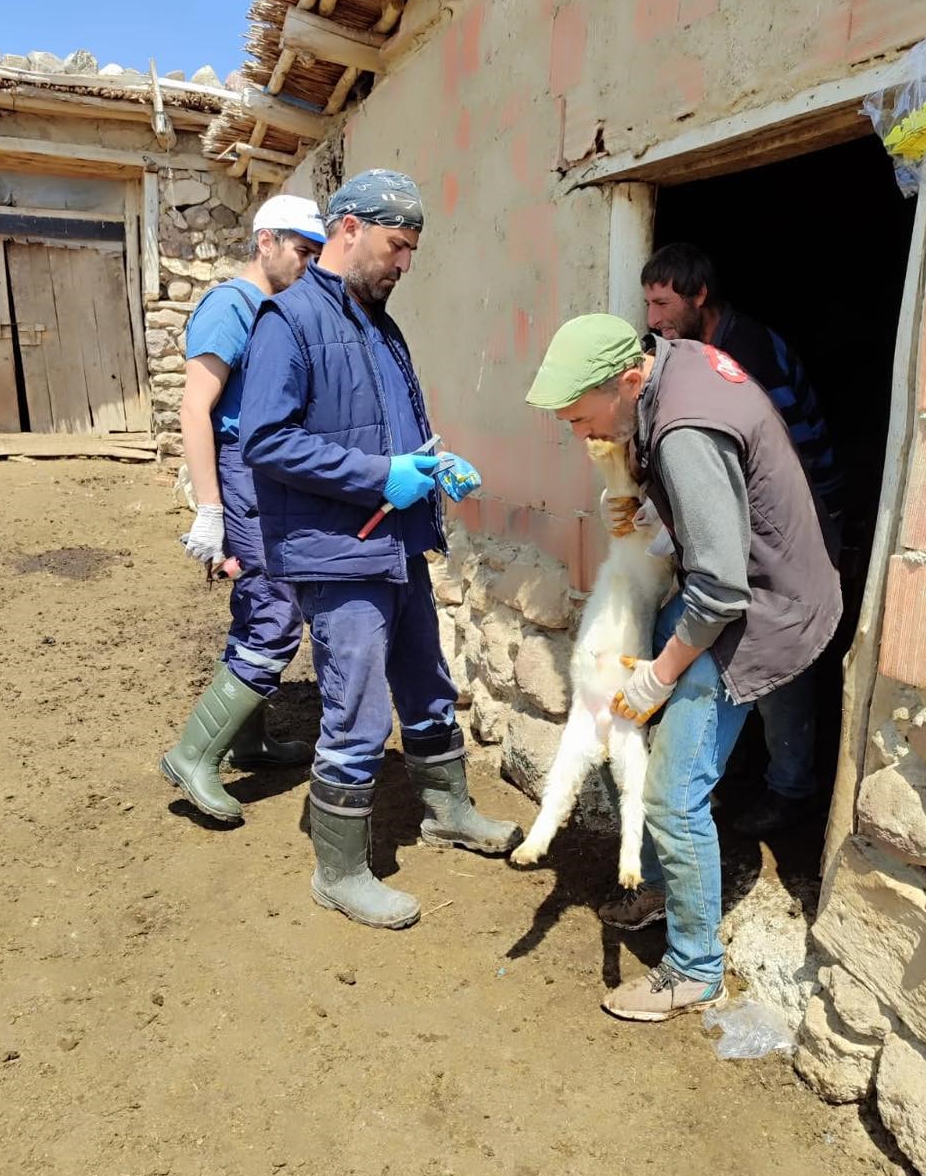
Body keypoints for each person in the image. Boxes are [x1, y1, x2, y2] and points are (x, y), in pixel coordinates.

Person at [525, 314, 840, 1023]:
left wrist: (662, 673)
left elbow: (723, 591)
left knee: (672, 790)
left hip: (759, 609)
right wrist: (641, 510)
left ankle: (694, 967)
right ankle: (663, 883)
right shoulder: (672, 365)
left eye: (581, 417)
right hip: (731, 585)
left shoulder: (685, 429)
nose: (580, 432)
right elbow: (720, 515)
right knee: (635, 714)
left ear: (629, 380)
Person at [239, 168, 522, 931]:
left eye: (413, 252)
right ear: (350, 228)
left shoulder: (381, 325)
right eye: (398, 246)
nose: (404, 264)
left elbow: (386, 429)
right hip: (337, 555)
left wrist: (431, 464)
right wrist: (377, 475)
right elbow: (264, 440)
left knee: (428, 685)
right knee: (358, 713)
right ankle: (339, 871)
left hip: (396, 546)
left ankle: (449, 811)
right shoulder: (288, 321)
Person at [638, 242, 844, 834]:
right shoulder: (696, 354)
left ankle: (791, 788)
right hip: (756, 526)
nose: (652, 319)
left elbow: (783, 457)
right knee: (729, 638)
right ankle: (743, 767)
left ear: (700, 296)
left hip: (798, 520)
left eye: (663, 301)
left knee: (783, 651)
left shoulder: (745, 354)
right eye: (647, 302)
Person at [160, 194, 327, 824]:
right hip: (241, 474)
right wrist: (210, 508)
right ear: (265, 241)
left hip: (268, 474)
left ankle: (248, 740)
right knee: (275, 614)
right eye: (301, 251)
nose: (309, 265)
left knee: (259, 605)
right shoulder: (230, 305)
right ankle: (192, 755)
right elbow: (195, 409)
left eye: (316, 254)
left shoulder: (273, 307)